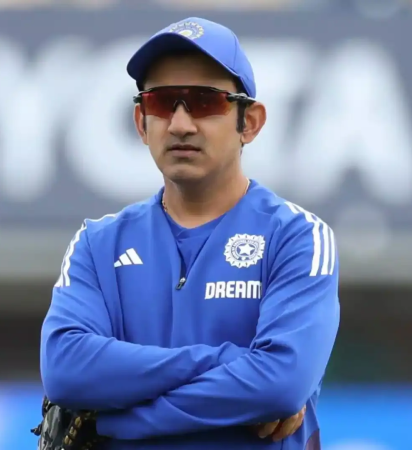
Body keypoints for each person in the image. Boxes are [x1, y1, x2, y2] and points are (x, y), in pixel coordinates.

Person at [40, 16, 340, 449]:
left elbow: (281, 384)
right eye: (162, 103)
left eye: (204, 101)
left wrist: (116, 422)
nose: (180, 124)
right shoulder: (97, 244)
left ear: (250, 122)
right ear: (141, 122)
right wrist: (235, 362)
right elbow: (65, 369)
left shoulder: (298, 237)